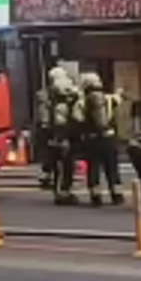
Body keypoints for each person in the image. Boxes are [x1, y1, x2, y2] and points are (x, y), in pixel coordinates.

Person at [80, 72, 125, 207]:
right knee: (112, 167)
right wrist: (120, 92)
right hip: (109, 137)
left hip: (92, 139)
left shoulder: (83, 100)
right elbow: (118, 99)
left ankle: (96, 196)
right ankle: (117, 195)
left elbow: (78, 118)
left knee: (93, 168)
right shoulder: (109, 98)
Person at [52, 71, 85, 207]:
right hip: (64, 140)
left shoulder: (61, 105)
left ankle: (63, 191)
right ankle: (62, 193)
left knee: (66, 166)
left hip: (67, 139)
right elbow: (62, 125)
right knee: (64, 167)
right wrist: (62, 139)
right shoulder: (62, 107)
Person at [33, 67, 65, 191]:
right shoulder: (54, 94)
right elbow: (44, 113)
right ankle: (51, 178)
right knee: (55, 154)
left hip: (46, 128)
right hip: (52, 128)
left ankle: (47, 176)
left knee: (49, 153)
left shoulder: (42, 94)